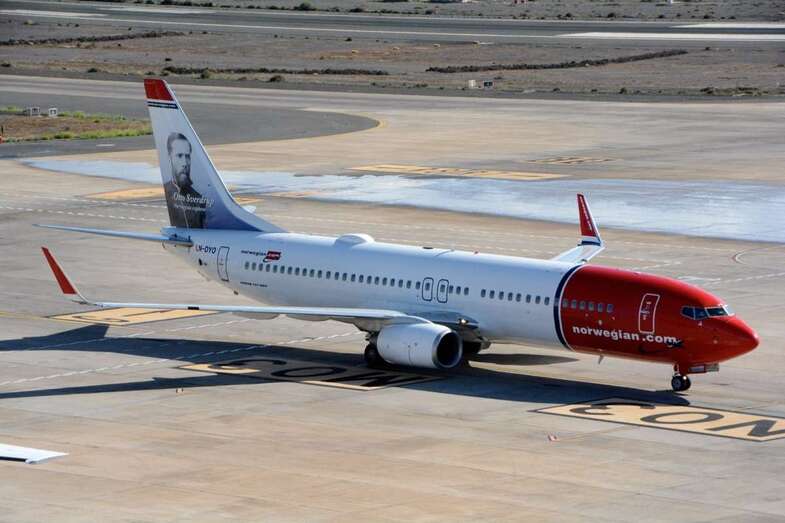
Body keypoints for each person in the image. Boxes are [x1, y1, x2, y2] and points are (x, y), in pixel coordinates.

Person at [163, 132, 209, 228]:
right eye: (179, 156)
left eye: (187, 156)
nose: (185, 163)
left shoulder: (198, 199)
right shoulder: (167, 192)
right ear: (169, 158)